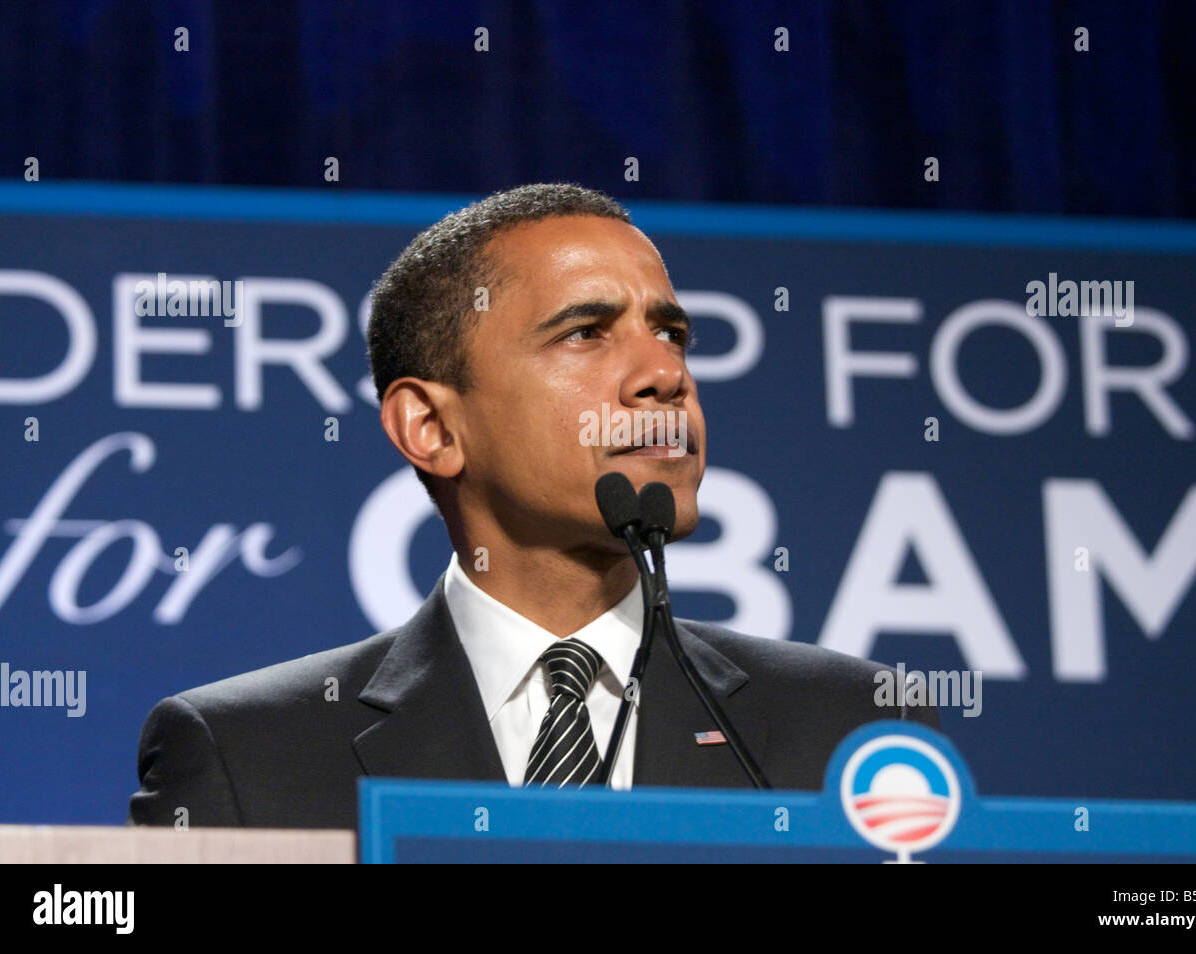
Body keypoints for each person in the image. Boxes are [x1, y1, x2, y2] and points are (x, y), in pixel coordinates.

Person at [129, 183, 940, 829]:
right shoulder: (249, 753)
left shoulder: (849, 729)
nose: (664, 373)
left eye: (672, 333)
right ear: (432, 426)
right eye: (587, 333)